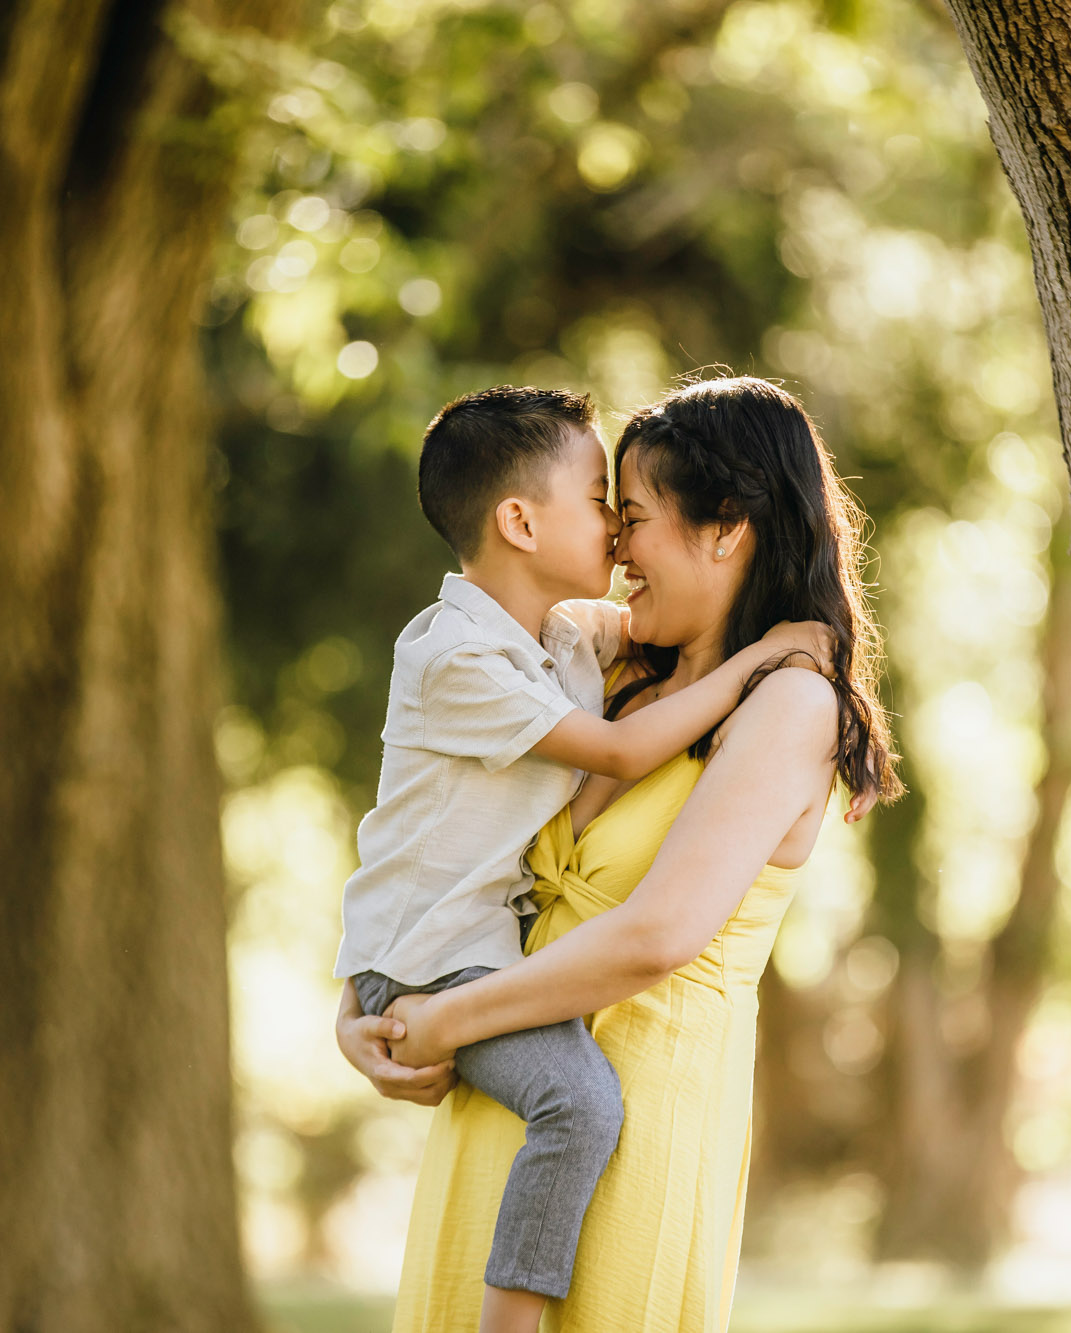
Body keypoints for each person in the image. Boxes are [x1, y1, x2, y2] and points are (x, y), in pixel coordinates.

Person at [337, 376, 902, 1332]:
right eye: (607, 510)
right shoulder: (598, 669)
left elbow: (658, 933)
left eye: (629, 515)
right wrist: (361, 1005)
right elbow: (431, 834)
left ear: (727, 528)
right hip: (502, 1103)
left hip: (635, 1119)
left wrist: (444, 1019)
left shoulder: (788, 701)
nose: (614, 545)